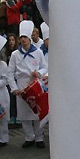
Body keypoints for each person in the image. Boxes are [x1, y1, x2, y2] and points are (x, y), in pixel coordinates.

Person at [7, 20, 47, 148]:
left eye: (25, 37)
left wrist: (39, 73)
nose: (23, 40)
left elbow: (45, 67)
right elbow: (10, 73)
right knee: (24, 114)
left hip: (35, 84)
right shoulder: (15, 55)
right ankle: (29, 136)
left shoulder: (38, 52)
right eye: (21, 38)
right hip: (22, 85)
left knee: (37, 112)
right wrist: (14, 88)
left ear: (30, 38)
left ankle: (39, 137)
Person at [4, 33, 20, 127]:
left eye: (13, 40)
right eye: (9, 40)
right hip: (8, 78)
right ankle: (11, 116)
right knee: (10, 98)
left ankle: (17, 116)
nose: (11, 42)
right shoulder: (4, 53)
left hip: (17, 77)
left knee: (17, 98)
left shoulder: (18, 52)